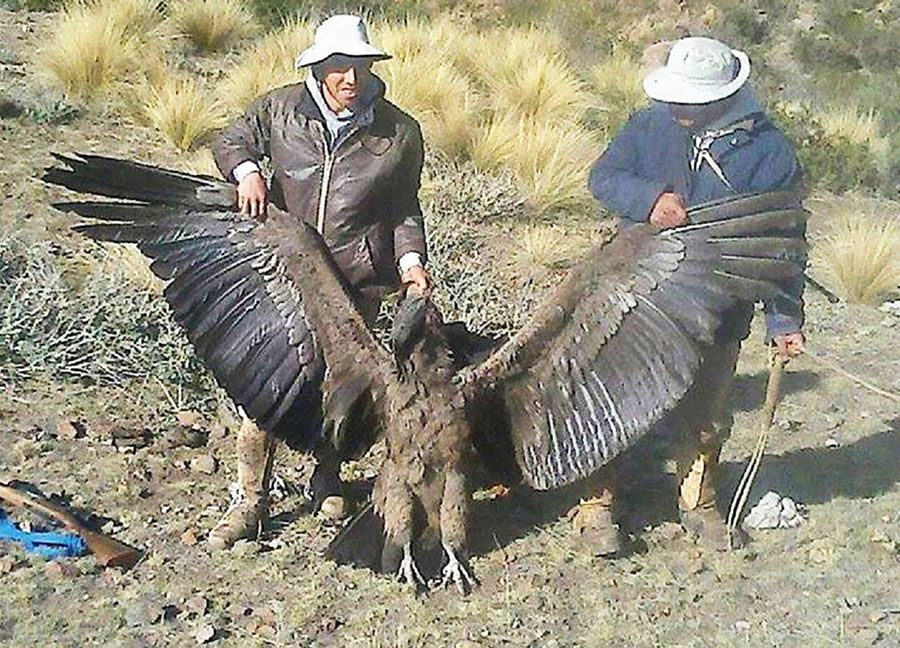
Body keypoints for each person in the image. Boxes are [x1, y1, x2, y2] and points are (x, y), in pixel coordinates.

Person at [207, 15, 431, 550]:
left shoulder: (398, 132)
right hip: (284, 277)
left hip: (360, 281)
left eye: (358, 66)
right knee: (265, 384)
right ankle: (250, 499)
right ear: (318, 68)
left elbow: (403, 208)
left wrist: (411, 263)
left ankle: (326, 479)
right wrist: (246, 172)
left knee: (345, 389)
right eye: (338, 67)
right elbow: (231, 138)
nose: (349, 78)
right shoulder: (281, 110)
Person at [582, 36, 806, 553]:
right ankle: (598, 505)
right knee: (614, 399)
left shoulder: (769, 152)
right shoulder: (649, 125)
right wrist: (648, 200)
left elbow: (782, 241)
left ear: (723, 96)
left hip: (720, 303)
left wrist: (783, 319)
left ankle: (698, 501)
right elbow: (604, 177)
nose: (679, 108)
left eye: (692, 101)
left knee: (705, 413)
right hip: (640, 294)